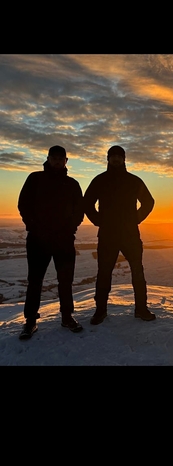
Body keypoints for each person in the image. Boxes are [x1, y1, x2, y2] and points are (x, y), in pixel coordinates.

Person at [17, 145, 84, 340]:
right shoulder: (35, 179)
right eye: (53, 157)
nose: (57, 161)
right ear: (48, 158)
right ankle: (30, 321)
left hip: (64, 240)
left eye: (60, 158)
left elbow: (79, 210)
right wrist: (34, 227)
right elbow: (24, 204)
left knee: (65, 280)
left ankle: (67, 316)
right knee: (35, 281)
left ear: (66, 160)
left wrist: (70, 229)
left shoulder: (72, 184)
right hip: (38, 240)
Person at [83, 145, 156, 325]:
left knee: (137, 271)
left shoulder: (133, 181)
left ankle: (141, 308)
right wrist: (98, 220)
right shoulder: (100, 180)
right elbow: (87, 203)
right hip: (108, 234)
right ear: (108, 159)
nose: (116, 159)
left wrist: (136, 219)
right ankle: (100, 311)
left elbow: (148, 201)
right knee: (104, 273)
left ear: (124, 159)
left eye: (119, 156)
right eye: (112, 156)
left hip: (130, 233)